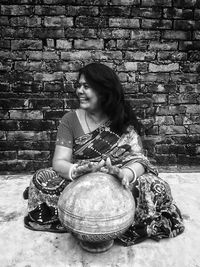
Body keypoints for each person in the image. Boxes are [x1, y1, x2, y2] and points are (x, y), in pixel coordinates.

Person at [23, 62, 184, 245]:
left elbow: (139, 160)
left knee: (156, 186)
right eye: (79, 86)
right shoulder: (70, 120)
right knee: (40, 180)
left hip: (118, 180)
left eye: (87, 86)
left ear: (104, 90)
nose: (80, 91)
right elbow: (59, 162)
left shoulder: (120, 119)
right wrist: (76, 170)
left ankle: (101, 214)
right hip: (83, 179)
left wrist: (125, 174)